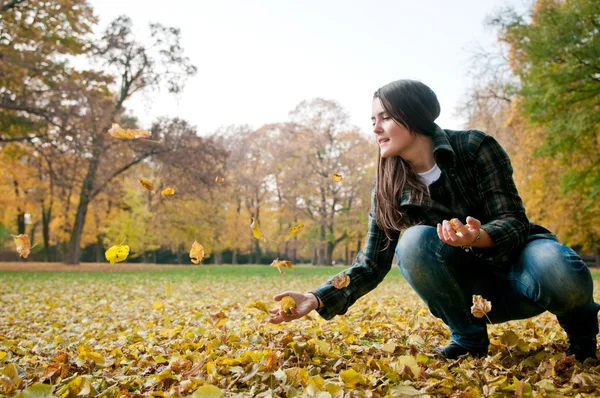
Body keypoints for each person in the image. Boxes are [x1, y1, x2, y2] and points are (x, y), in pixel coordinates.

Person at [269, 79, 599, 361]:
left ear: (414, 116)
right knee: (412, 241)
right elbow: (371, 264)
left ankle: (583, 337)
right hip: (470, 294)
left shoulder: (475, 147)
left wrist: (478, 236)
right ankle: (468, 341)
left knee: (556, 265)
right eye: (373, 119)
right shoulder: (387, 187)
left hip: (523, 270)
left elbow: (513, 220)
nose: (376, 128)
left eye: (385, 117)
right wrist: (315, 298)